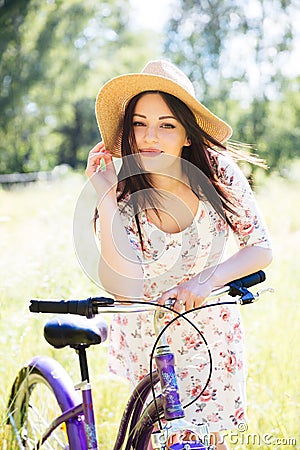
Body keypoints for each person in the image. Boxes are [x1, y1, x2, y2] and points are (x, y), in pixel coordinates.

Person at [85, 60, 272, 449]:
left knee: (211, 443)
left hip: (210, 336)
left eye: (166, 124)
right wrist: (103, 196)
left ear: (188, 133)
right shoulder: (121, 193)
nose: (149, 137)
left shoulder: (218, 173)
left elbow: (260, 248)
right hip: (150, 341)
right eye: (139, 123)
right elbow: (124, 285)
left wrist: (206, 280)